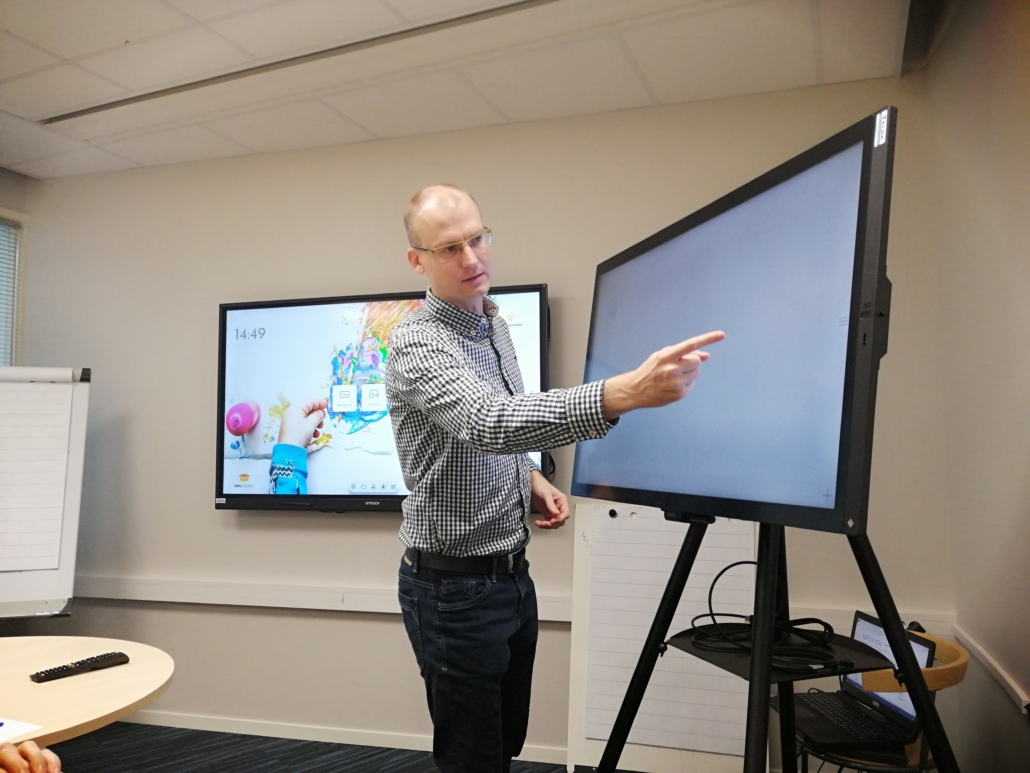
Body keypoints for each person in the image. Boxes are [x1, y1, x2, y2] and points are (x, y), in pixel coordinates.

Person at [385, 183, 723, 773]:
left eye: (477, 239)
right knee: (472, 758)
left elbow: (489, 435)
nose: (471, 257)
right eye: (449, 249)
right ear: (418, 261)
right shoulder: (418, 343)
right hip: (451, 590)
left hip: (512, 576)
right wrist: (621, 393)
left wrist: (530, 476)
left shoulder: (493, 323)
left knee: (505, 740)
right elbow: (488, 421)